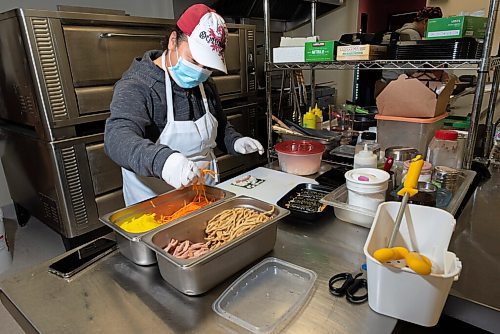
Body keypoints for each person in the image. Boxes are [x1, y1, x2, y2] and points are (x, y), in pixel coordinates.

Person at [104, 4, 264, 206]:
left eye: (207, 66)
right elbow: (116, 138)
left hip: (203, 195)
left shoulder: (205, 84)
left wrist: (234, 141)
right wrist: (164, 161)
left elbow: (219, 127)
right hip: (155, 203)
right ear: (173, 41)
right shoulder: (138, 85)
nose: (199, 71)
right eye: (194, 60)